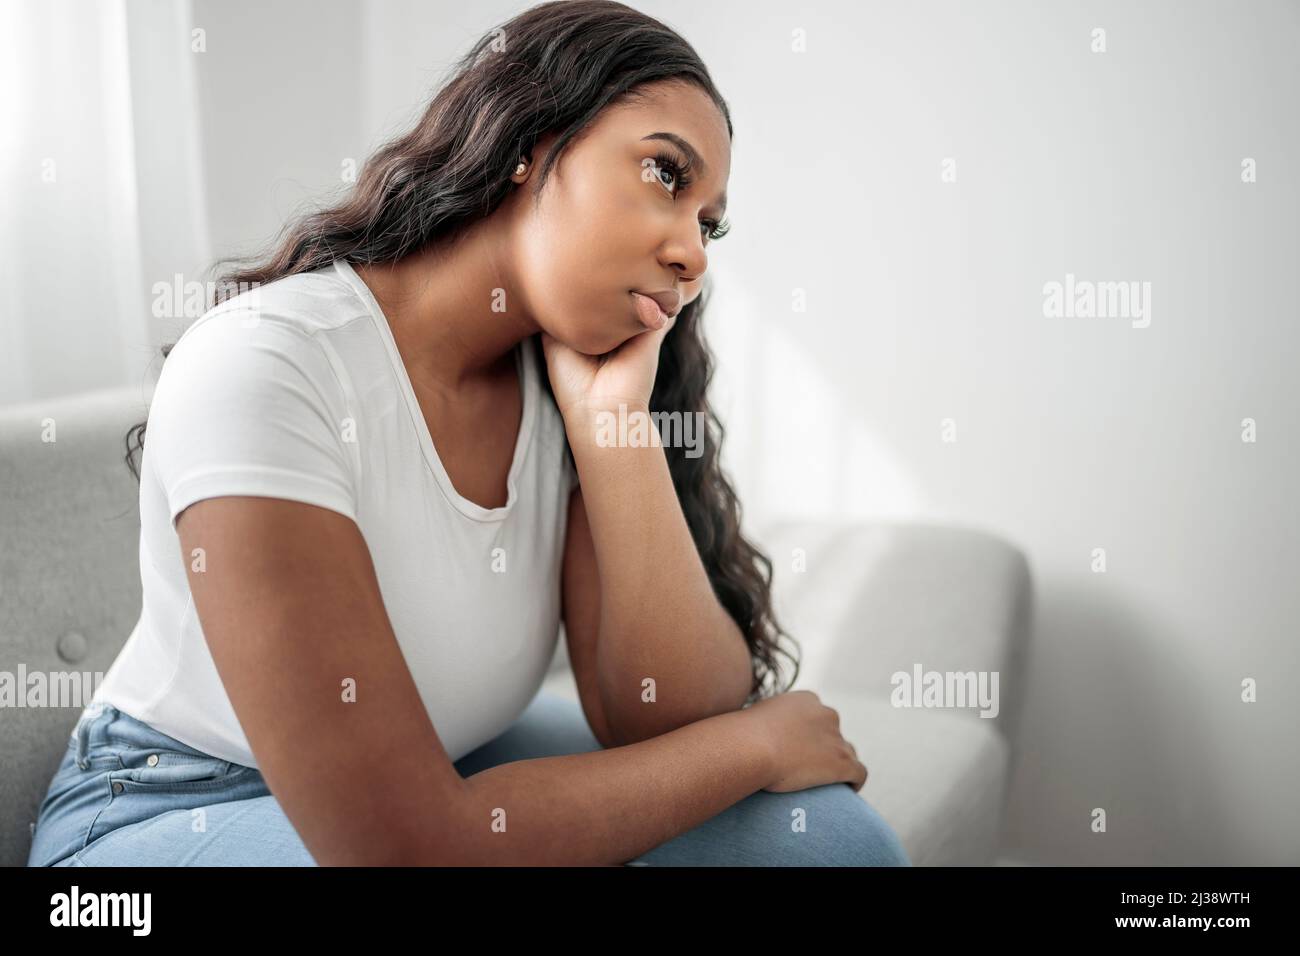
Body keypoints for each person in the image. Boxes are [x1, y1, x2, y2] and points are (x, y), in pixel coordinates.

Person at [28, 0, 910, 867]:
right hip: (168, 808)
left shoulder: (554, 375)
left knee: (835, 841)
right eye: (666, 176)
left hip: (441, 768)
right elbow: (409, 850)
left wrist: (612, 429)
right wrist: (756, 748)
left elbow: (665, 714)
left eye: (709, 225)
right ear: (529, 144)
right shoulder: (269, 367)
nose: (695, 252)